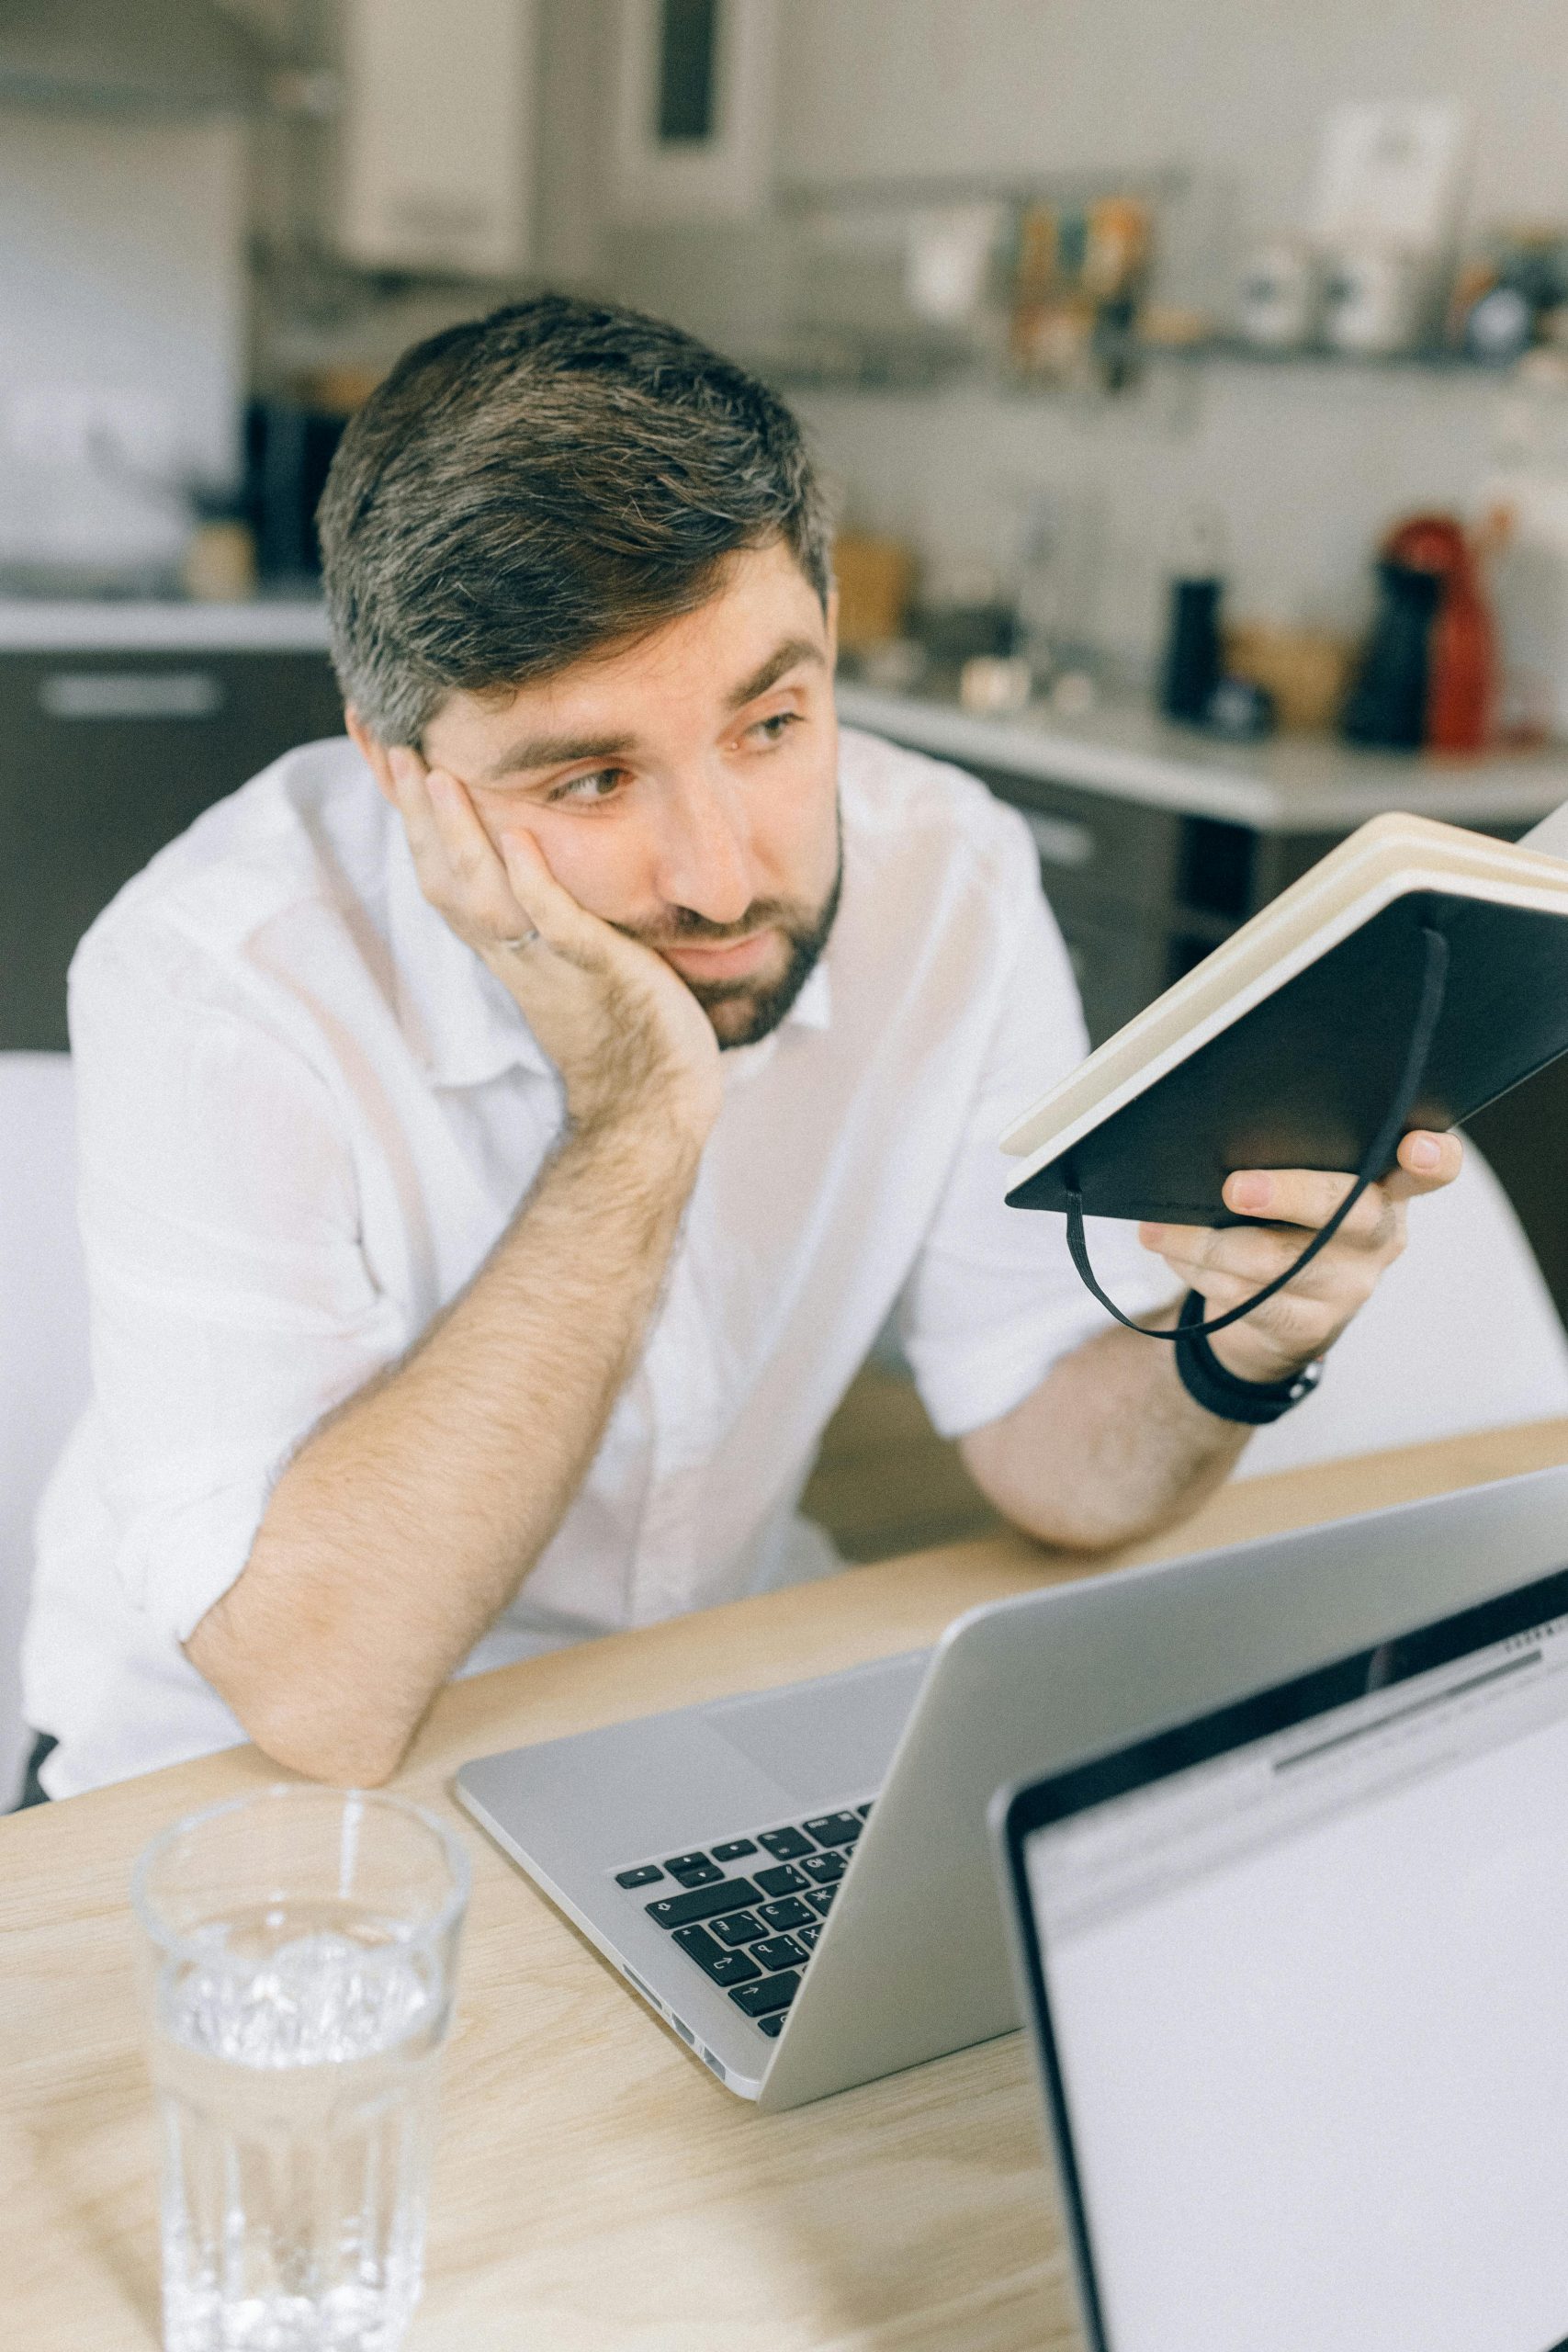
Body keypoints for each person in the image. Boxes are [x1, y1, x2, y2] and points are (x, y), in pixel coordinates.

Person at [19, 296, 1460, 1801]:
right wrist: (636, 1120)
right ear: (403, 775)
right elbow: (324, 1696)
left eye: (772, 722)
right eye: (590, 780)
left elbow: (1050, 1451)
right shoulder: (214, 976)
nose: (720, 877)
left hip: (683, 1716)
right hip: (213, 1780)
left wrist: (1243, 1343)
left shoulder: (948, 874)